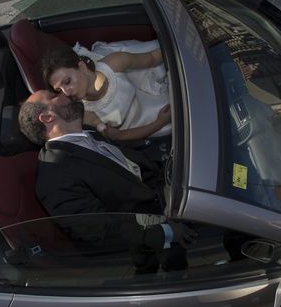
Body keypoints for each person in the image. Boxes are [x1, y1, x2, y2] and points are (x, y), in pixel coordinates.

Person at [18, 90, 196, 273]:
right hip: (162, 239)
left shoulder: (89, 133)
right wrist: (167, 232)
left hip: (176, 196)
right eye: (54, 94)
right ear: (47, 117)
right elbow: (99, 231)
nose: (64, 93)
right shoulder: (54, 175)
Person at [41, 43, 171, 141]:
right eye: (59, 90)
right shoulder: (86, 114)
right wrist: (159, 123)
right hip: (147, 125)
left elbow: (153, 58)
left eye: (67, 81)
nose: (66, 92)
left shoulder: (115, 63)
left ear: (81, 67)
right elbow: (119, 137)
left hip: (145, 94)